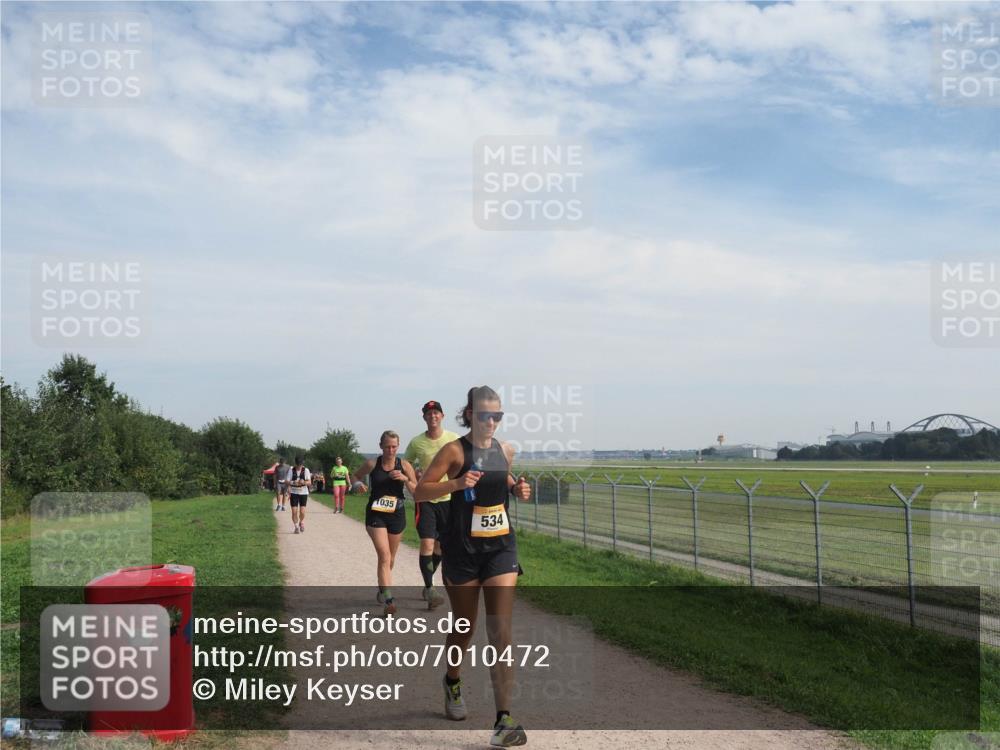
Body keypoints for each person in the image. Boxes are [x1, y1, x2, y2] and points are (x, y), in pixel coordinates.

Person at [414, 386, 531, 748]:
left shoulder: (503, 449)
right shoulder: (454, 450)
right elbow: (420, 491)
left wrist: (517, 489)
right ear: (470, 414)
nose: (492, 421)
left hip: (500, 548)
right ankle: (452, 679)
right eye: (485, 415)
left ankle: (504, 719)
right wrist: (456, 482)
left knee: (500, 630)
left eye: (497, 415)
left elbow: (503, 480)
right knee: (464, 626)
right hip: (462, 551)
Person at [353, 431, 417, 617]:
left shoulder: (405, 465)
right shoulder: (373, 464)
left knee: (391, 559)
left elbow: (417, 491)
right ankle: (389, 600)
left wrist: (405, 479)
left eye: (394, 446)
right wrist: (357, 485)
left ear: (398, 446)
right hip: (376, 514)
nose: (390, 450)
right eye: (387, 446)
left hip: (397, 514)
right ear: (381, 446)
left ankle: (383, 587)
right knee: (384, 555)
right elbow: (355, 476)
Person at [405, 400, 459, 609]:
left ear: (442, 416)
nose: (433, 416)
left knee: (440, 547)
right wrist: (413, 480)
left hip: (449, 500)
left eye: (436, 413)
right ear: (424, 418)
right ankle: (430, 588)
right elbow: (406, 462)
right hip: (426, 499)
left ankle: (429, 582)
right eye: (429, 413)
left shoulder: (453, 439)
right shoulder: (417, 442)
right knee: (427, 543)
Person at [287, 455, 311, 534]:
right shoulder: (291, 470)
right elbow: (286, 481)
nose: (299, 466)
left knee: (302, 512)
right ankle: (296, 526)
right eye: (298, 464)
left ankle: (301, 522)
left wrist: (303, 482)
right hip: (294, 492)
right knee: (294, 511)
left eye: (300, 464)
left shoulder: (306, 470)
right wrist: (293, 482)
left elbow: (309, 482)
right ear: (296, 463)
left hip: (303, 492)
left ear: (302, 463)